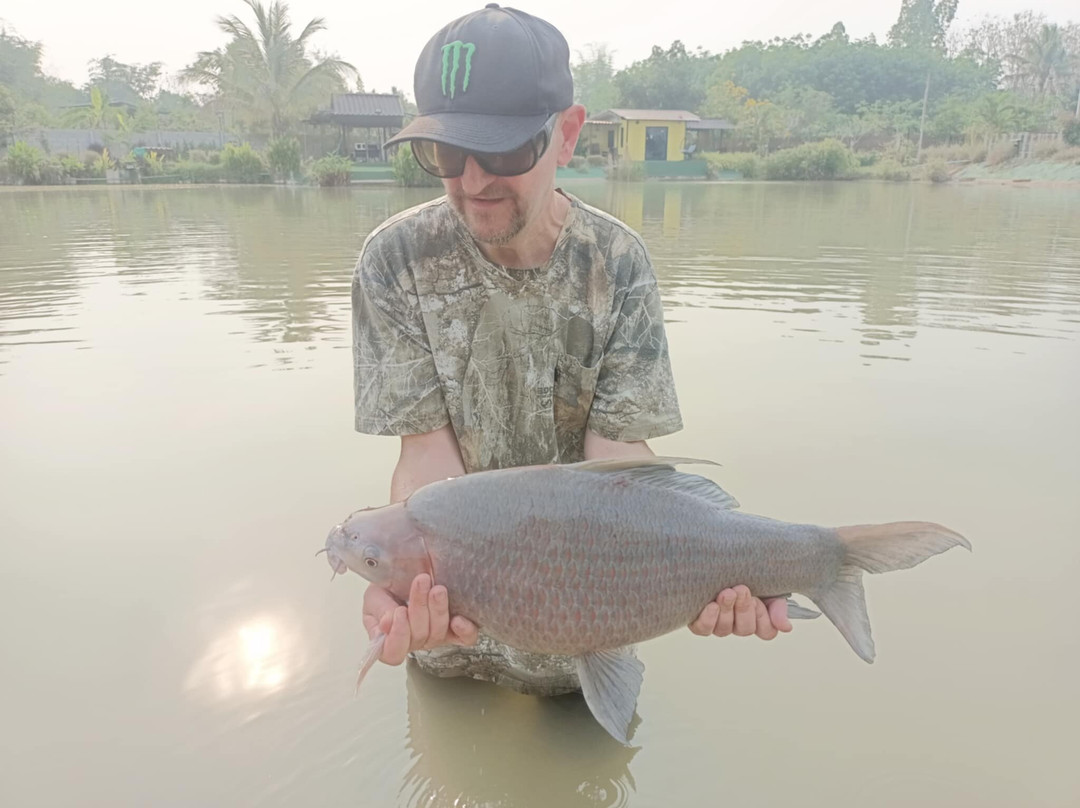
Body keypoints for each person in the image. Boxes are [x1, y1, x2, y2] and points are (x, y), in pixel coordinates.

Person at [352, 4, 791, 695]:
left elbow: (619, 464)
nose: (471, 181)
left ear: (568, 134)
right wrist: (403, 579)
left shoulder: (615, 261)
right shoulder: (395, 260)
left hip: (585, 632)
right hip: (444, 632)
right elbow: (423, 458)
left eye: (503, 151)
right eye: (445, 152)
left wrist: (721, 561)